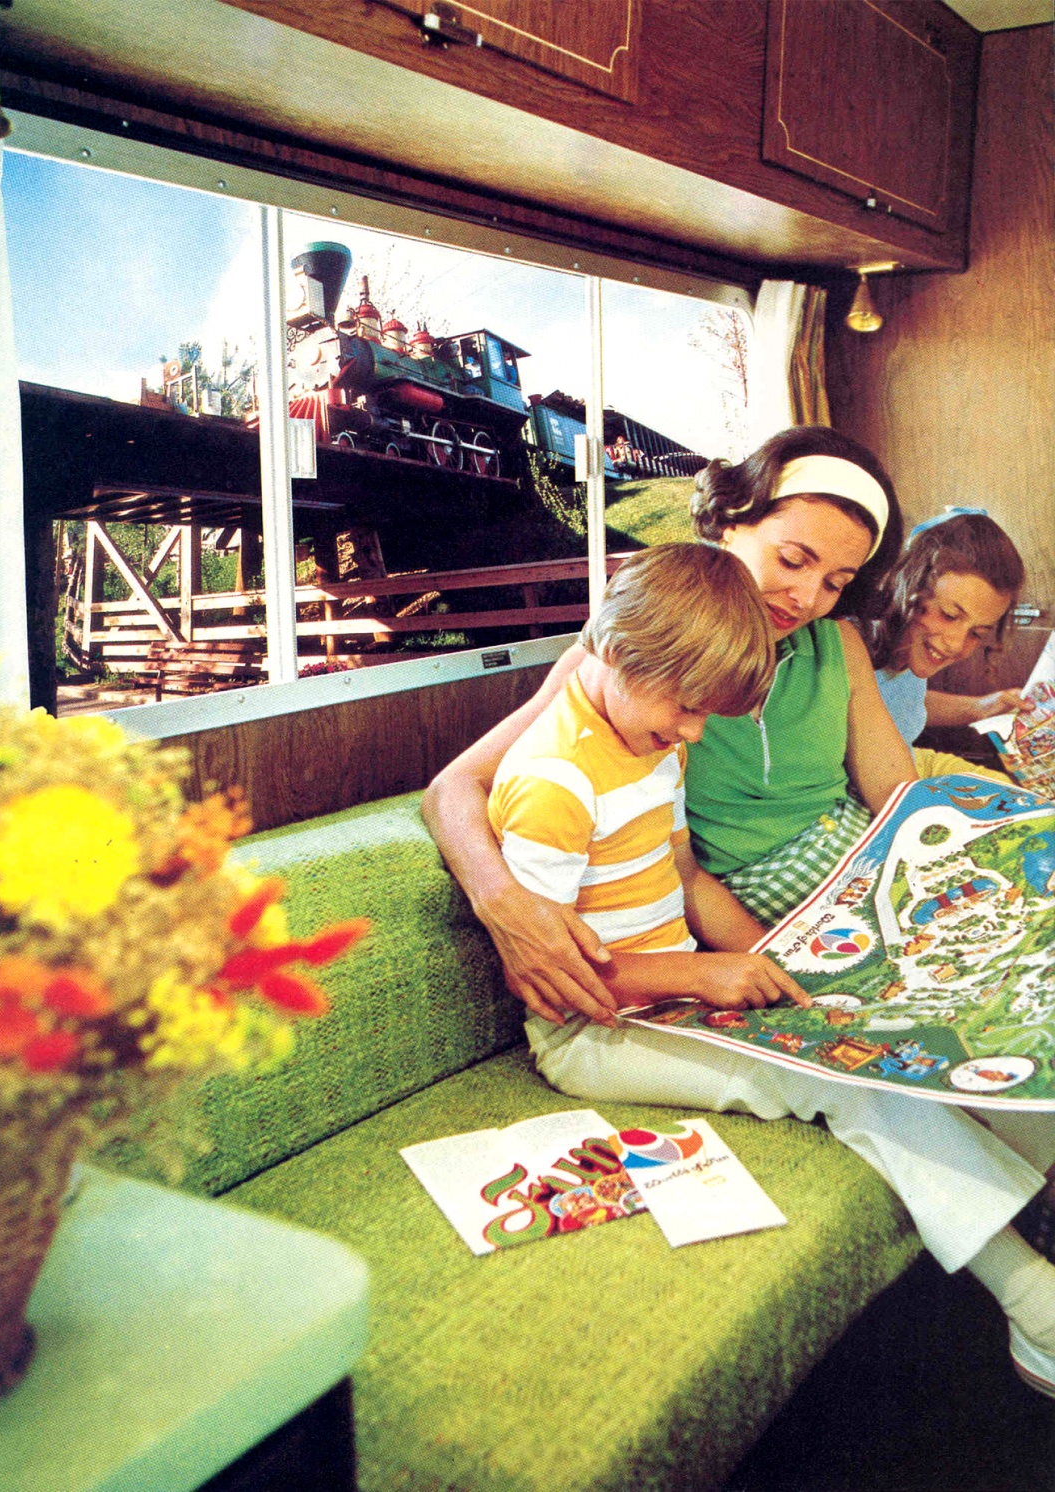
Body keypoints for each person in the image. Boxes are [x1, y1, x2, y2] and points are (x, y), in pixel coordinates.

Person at [421, 425, 1055, 1397]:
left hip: (815, 911)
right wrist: (506, 903)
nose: (803, 597)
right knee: (871, 1062)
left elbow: (893, 801)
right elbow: (457, 787)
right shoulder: (641, 660)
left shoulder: (818, 654)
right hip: (680, 962)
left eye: (835, 581)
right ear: (727, 523)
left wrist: (987, 863)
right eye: (791, 559)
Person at [489, 543, 810, 1014]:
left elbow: (687, 877)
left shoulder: (658, 744)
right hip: (592, 1022)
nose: (694, 734)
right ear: (617, 652)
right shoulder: (554, 783)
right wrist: (698, 974)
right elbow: (544, 972)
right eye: (688, 706)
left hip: (677, 998)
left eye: (707, 714)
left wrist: (781, 965)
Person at [859, 508, 1026, 780]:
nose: (956, 645)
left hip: (907, 758)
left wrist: (982, 707)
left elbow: (904, 701)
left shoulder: (911, 648)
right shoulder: (851, 646)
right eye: (949, 616)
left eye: (977, 633)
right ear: (911, 587)